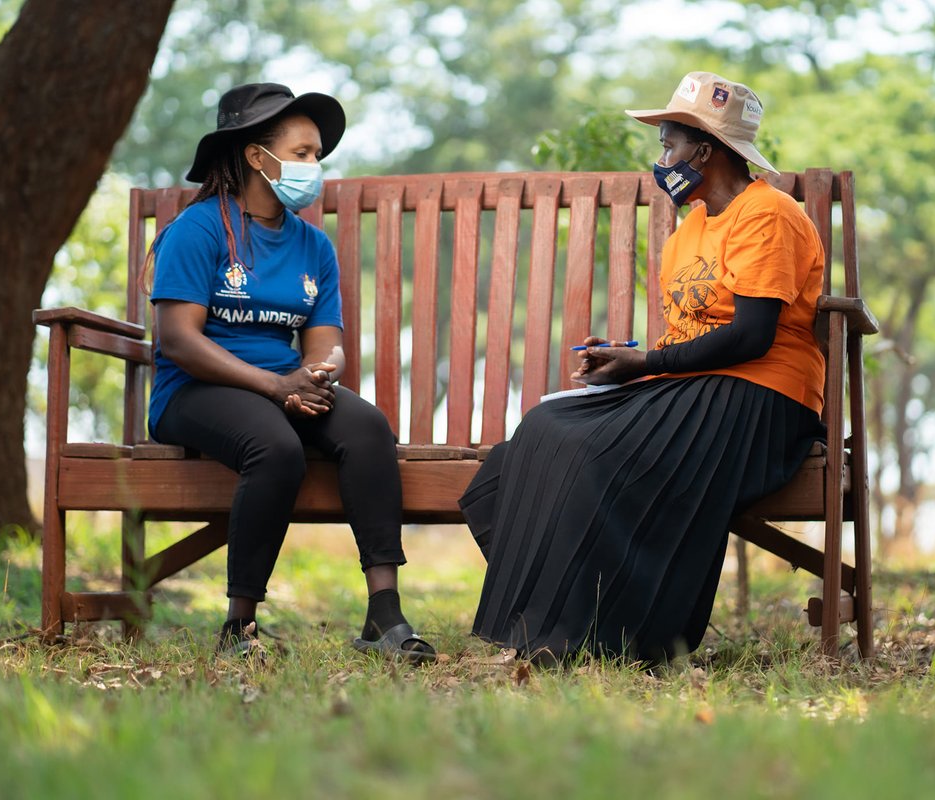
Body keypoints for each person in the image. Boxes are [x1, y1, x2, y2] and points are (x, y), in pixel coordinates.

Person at [460, 71, 827, 664]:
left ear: (704, 150)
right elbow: (693, 333)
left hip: (762, 399)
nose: (662, 159)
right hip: (695, 388)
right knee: (539, 432)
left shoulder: (768, 215)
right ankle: (570, 621)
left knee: (585, 452)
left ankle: (605, 637)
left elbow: (752, 337)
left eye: (669, 145)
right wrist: (628, 355)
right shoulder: (690, 231)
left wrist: (645, 363)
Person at [147, 82, 435, 663]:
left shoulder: (312, 245)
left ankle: (385, 614)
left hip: (283, 389)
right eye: (302, 153)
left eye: (317, 156)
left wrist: (318, 376)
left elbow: (327, 345)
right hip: (197, 389)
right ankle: (239, 625)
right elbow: (178, 339)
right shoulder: (200, 230)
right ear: (258, 157)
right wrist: (276, 387)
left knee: (367, 427)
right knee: (277, 448)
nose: (314, 167)